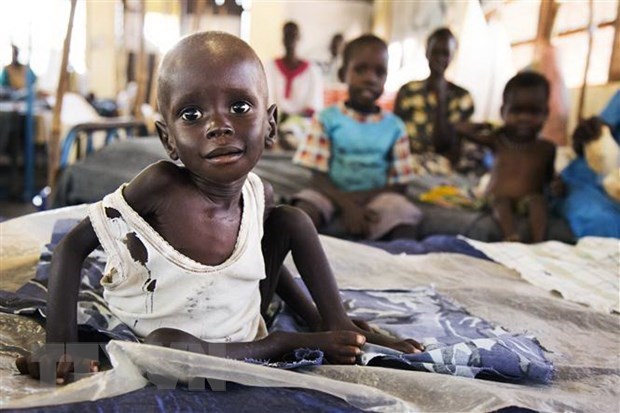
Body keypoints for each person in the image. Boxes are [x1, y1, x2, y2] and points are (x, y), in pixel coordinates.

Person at [17, 31, 422, 383]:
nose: (218, 125)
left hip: (241, 323)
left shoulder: (259, 194)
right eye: (191, 114)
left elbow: (262, 264)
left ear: (271, 124)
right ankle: (285, 344)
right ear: (168, 139)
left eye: (240, 107)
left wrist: (315, 315)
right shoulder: (159, 187)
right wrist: (61, 348)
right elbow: (71, 247)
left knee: (293, 220)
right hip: (171, 338)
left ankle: (334, 324)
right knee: (164, 349)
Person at [293, 34, 422, 241]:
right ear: (344, 74)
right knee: (302, 213)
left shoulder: (395, 127)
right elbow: (317, 176)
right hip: (330, 192)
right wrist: (347, 205)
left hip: (378, 196)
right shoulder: (326, 119)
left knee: (403, 215)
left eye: (379, 72)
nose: (370, 78)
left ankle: (401, 261)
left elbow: (400, 183)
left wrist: (358, 203)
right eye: (361, 69)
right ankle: (296, 265)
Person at [458, 71, 556, 243]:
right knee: (501, 201)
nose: (524, 118)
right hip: (495, 198)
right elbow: (460, 129)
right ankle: (511, 236)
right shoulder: (499, 140)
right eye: (516, 111)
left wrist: (557, 185)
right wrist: (485, 125)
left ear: (546, 113)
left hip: (526, 202)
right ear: (503, 112)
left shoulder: (546, 149)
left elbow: (549, 179)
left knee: (537, 201)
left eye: (533, 112)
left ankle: (539, 243)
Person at [394, 28, 484, 176]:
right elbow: (394, 132)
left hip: (442, 164)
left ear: (453, 56)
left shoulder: (462, 97)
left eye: (445, 53)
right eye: (435, 52)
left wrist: (440, 99)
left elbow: (444, 145)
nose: (439, 58)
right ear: (426, 52)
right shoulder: (408, 90)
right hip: (406, 158)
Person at [265, 21, 324, 149]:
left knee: (297, 131)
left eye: (294, 35)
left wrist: (290, 119)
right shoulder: (270, 67)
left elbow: (313, 108)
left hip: (301, 122)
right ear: (282, 38)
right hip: (274, 120)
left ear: (299, 38)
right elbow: (266, 100)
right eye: (287, 35)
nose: (290, 40)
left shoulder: (312, 71)